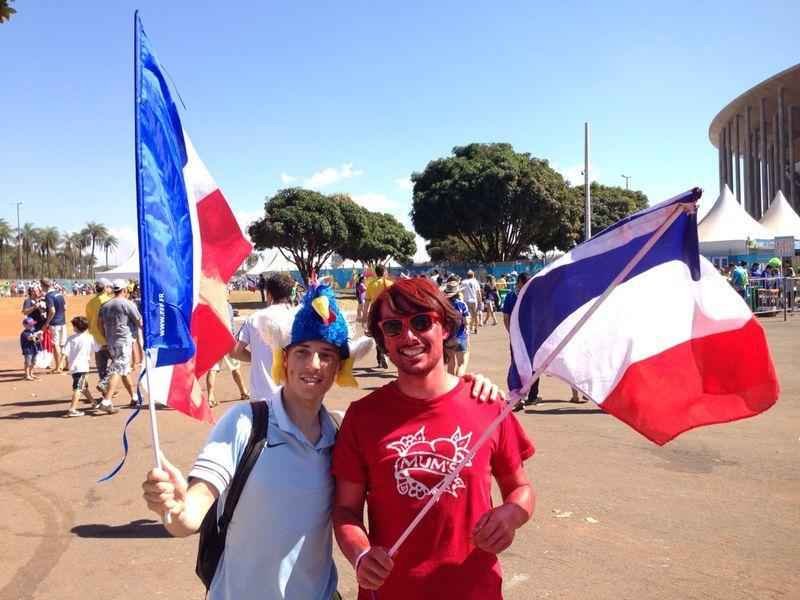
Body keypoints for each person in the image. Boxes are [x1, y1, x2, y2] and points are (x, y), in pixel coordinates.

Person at [332, 278, 534, 599]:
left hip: (475, 589)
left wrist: (510, 516)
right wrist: (360, 554)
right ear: (384, 338)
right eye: (394, 327)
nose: (409, 336)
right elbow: (345, 510)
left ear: (445, 328)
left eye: (422, 321)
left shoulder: (488, 404)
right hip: (389, 592)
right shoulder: (362, 417)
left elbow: (520, 489)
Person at [231, 272, 298, 399]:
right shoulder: (298, 318)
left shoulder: (255, 318)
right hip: (292, 398)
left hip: (261, 397)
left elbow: (235, 352)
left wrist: (256, 357)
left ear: (269, 294)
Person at [97, 279, 142, 413]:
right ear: (124, 290)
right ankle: (107, 400)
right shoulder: (128, 304)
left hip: (111, 341)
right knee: (118, 369)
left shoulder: (105, 305)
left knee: (123, 368)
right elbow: (139, 322)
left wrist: (106, 336)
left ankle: (134, 397)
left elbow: (99, 324)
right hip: (124, 341)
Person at [502, 272, 542, 409]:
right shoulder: (516, 297)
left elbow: (506, 318)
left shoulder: (524, 297)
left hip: (526, 338)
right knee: (527, 365)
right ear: (519, 283)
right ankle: (524, 396)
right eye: (525, 282)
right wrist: (512, 334)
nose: (526, 285)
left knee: (527, 366)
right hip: (523, 338)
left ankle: (526, 396)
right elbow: (506, 317)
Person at [206, 300, 250, 408]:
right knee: (235, 368)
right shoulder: (227, 306)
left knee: (212, 369)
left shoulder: (210, 304)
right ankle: (243, 392)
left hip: (213, 340)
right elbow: (231, 325)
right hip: (227, 340)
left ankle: (210, 397)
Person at [63, 316, 97, 417]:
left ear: (76, 328)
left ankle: (94, 402)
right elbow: (97, 348)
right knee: (78, 388)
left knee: (83, 386)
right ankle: (72, 409)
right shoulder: (90, 337)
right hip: (82, 367)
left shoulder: (71, 338)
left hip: (73, 367)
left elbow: (64, 352)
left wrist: (61, 365)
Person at [86, 279, 113, 393]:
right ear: (106, 288)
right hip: (107, 337)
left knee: (101, 367)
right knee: (118, 363)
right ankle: (105, 383)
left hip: (95, 338)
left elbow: (88, 320)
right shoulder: (109, 301)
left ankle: (105, 389)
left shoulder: (90, 302)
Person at [364, 265, 393, 369]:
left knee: (377, 335)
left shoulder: (371, 285)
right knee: (388, 334)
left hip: (375, 313)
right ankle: (386, 353)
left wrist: (364, 319)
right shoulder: (390, 284)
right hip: (388, 313)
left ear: (376, 273)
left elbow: (366, 303)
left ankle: (380, 358)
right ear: (384, 272)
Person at [443, 280, 470, 376]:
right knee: (461, 364)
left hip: (448, 337)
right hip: (461, 336)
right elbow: (466, 321)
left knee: (451, 364)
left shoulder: (444, 305)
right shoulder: (462, 304)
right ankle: (459, 383)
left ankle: (451, 384)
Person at [40, 278, 68, 373]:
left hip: (54, 323)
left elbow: (52, 311)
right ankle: (66, 364)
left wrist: (46, 323)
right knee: (63, 343)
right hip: (62, 322)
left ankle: (58, 367)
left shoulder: (49, 296)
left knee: (55, 344)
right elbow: (65, 307)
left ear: (43, 285)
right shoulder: (59, 293)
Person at [460, 270, 482, 335]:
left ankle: (468, 328)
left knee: (468, 315)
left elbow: (460, 291)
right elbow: (478, 292)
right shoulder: (476, 282)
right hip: (474, 300)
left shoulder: (463, 282)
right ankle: (475, 328)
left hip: (466, 300)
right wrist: (480, 301)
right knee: (475, 315)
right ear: (473, 275)